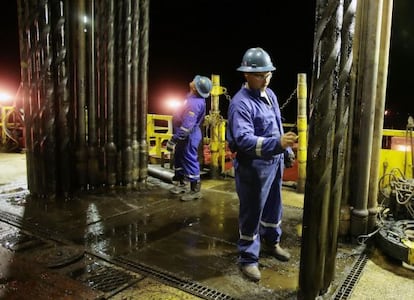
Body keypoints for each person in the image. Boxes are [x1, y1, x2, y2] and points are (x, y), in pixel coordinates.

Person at [227, 47, 297, 281]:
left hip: (273, 164)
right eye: (260, 75)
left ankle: (271, 242)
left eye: (268, 73)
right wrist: (278, 144)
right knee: (252, 212)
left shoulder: (271, 95)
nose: (265, 78)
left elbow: (277, 125)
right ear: (246, 75)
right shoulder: (241, 104)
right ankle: (248, 258)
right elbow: (244, 140)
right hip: (253, 169)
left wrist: (285, 151)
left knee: (273, 207)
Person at [167, 75, 212, 201]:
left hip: (189, 135)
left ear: (195, 89)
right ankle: (181, 183)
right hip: (183, 134)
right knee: (179, 157)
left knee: (189, 159)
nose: (192, 81)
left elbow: (187, 126)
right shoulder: (191, 98)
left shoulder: (194, 103)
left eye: (195, 81)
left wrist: (174, 139)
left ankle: (195, 190)